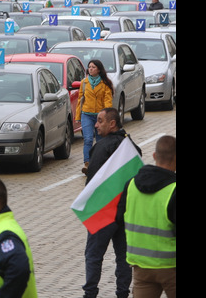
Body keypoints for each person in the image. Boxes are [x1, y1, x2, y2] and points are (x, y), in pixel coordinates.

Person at [83, 108, 141, 298]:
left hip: (104, 213)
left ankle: (90, 293)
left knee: (93, 255)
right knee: (123, 258)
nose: (96, 125)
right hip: (125, 215)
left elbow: (92, 182)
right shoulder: (131, 146)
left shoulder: (101, 147)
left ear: (112, 124)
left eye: (100, 121)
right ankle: (122, 293)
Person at [118, 135, 176, 298]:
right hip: (171, 266)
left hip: (141, 267)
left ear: (155, 156)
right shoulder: (174, 189)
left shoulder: (131, 185)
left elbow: (119, 219)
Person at [77, 60, 114, 166]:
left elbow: (108, 101)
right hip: (86, 114)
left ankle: (99, 162)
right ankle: (87, 162)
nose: (91, 69)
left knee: (100, 140)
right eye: (89, 67)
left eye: (93, 67)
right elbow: (80, 100)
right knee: (88, 139)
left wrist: (107, 116)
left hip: (100, 116)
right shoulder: (84, 83)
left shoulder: (105, 83)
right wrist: (78, 116)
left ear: (99, 69)